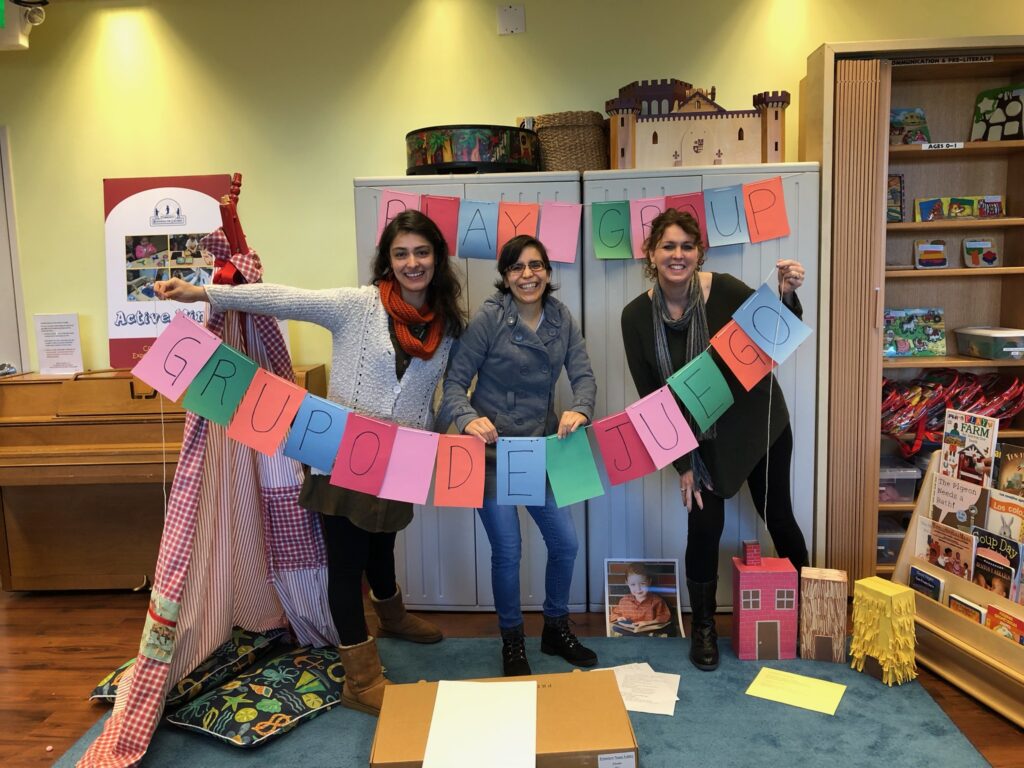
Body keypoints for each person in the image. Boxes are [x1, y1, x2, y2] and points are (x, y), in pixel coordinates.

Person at [154, 210, 465, 716]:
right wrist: (205, 293)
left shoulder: (446, 324)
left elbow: (436, 395)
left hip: (401, 460)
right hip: (342, 457)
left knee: (382, 545)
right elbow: (285, 297)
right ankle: (361, 681)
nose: (413, 263)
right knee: (345, 567)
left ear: (437, 258)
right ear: (387, 260)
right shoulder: (357, 306)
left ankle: (392, 617)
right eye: (401, 253)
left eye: (422, 252)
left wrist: (442, 440)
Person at [620, 208, 809, 672]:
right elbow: (653, 401)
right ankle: (704, 626)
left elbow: (775, 330)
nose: (678, 255)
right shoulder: (635, 318)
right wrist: (683, 464)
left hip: (759, 423)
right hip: (700, 441)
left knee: (778, 516)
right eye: (668, 246)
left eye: (687, 246)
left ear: (698, 252)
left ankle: (805, 614)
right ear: (652, 254)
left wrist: (787, 293)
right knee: (704, 530)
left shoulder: (723, 289)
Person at [442, 234, 598, 677]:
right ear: (505, 276)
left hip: (538, 450)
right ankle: (512, 639)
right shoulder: (489, 320)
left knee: (565, 543)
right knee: (507, 550)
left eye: (535, 266)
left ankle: (555, 626)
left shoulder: (562, 319)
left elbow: (584, 375)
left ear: (548, 272)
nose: (527, 275)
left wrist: (581, 408)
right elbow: (455, 385)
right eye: (517, 267)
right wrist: (467, 418)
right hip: (491, 455)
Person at [609, 562, 671, 629]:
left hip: (647, 630)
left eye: (642, 584)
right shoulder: (624, 601)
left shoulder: (657, 601)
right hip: (630, 630)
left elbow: (664, 616)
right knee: (616, 628)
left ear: (649, 582)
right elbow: (614, 614)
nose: (638, 589)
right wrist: (619, 618)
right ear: (627, 583)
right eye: (633, 584)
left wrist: (647, 623)